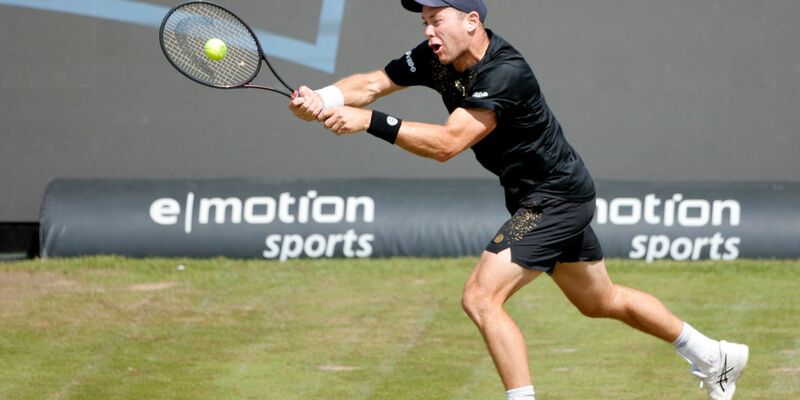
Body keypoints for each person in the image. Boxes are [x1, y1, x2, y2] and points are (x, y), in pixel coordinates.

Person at [288, 1, 749, 398]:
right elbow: (370, 84)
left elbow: (449, 144)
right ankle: (716, 356)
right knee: (600, 300)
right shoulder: (433, 57)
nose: (428, 32)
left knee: (480, 297)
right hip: (537, 195)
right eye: (424, 22)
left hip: (554, 199)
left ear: (471, 20)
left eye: (437, 20)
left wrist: (368, 122)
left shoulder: (505, 73)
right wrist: (323, 97)